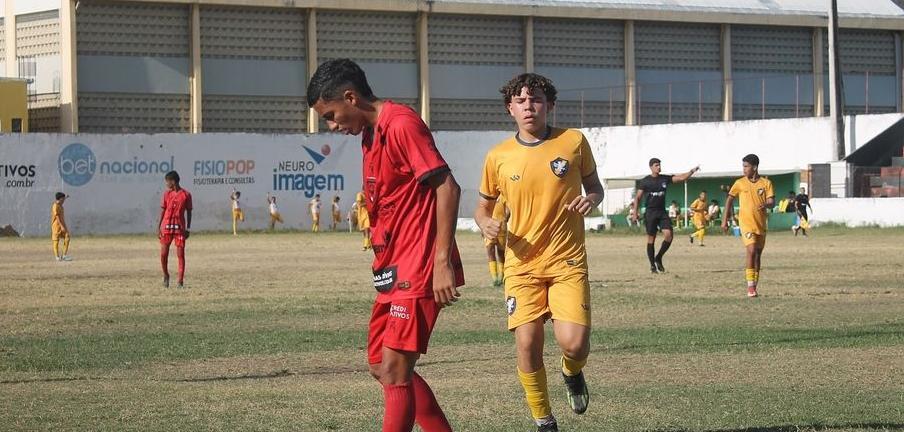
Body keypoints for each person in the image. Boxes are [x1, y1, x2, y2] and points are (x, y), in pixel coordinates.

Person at [308, 58, 465, 432]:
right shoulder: (368, 133)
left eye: (331, 115)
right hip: (392, 268)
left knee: (395, 372)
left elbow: (447, 188)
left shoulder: (401, 124)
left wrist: (441, 261)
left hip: (419, 265)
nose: (333, 126)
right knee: (382, 365)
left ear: (351, 97)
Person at [475, 73, 604, 432]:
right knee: (528, 342)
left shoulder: (574, 141)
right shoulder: (498, 157)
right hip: (522, 264)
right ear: (509, 109)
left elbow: (595, 187)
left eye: (536, 100)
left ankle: (572, 372)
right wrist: (486, 223)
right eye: (521, 100)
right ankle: (544, 419)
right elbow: (482, 208)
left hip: (567, 260)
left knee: (574, 344)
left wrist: (590, 199)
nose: (529, 106)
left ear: (550, 105)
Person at [630, 159, 700, 273]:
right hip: (650, 213)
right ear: (651, 167)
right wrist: (635, 213)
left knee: (669, 235)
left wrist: (692, 171)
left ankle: (659, 257)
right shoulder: (645, 181)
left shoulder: (664, 179)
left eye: (659, 165)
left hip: (662, 212)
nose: (658, 167)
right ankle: (652, 265)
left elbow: (682, 178)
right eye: (656, 165)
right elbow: (637, 197)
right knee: (651, 239)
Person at [722, 154, 774, 298]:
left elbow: (772, 201)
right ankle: (750, 287)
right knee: (751, 250)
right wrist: (724, 220)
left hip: (761, 224)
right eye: (743, 166)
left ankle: (754, 285)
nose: (744, 169)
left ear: (755, 167)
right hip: (745, 224)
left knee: (757, 255)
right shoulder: (739, 183)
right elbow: (729, 200)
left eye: (746, 166)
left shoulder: (766, 183)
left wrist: (766, 204)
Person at [158, 171, 192, 289]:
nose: (166, 183)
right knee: (163, 254)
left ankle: (180, 281)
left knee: (180, 255)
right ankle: (166, 275)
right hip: (167, 227)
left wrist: (188, 228)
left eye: (167, 181)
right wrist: (159, 226)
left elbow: (189, 212)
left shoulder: (186, 194)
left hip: (180, 228)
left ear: (173, 181)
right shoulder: (166, 194)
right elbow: (163, 211)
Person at [485, 196, 508, 287]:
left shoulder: (504, 194)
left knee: (501, 253)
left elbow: (509, 209)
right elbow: (484, 209)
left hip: (501, 227)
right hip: (490, 226)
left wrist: (505, 218)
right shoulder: (488, 196)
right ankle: (494, 278)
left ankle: (501, 277)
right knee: (490, 250)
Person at [50, 192, 72, 261]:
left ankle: (64, 256)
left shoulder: (60, 205)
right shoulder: (55, 206)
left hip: (62, 225)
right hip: (56, 226)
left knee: (67, 236)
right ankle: (57, 257)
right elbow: (57, 217)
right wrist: (61, 226)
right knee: (56, 241)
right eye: (63, 199)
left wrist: (66, 197)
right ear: (60, 199)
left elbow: (62, 199)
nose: (64, 201)